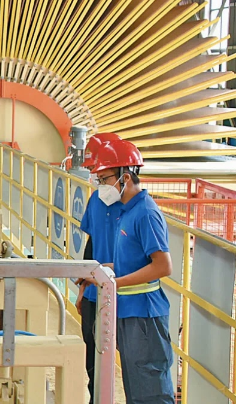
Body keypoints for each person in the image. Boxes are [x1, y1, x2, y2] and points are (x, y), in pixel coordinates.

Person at [90, 140, 175, 404]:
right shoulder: (126, 212)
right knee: (136, 390)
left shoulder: (146, 213)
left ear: (125, 177)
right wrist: (98, 272)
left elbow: (163, 265)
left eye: (105, 179)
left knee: (150, 391)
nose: (102, 186)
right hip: (129, 312)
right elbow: (130, 262)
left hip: (145, 316)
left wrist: (115, 283)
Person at [77, 133, 123, 403]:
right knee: (92, 356)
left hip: (124, 293)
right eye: (97, 177)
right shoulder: (96, 200)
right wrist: (83, 289)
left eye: (103, 176)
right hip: (95, 292)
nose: (99, 181)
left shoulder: (132, 206)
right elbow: (92, 243)